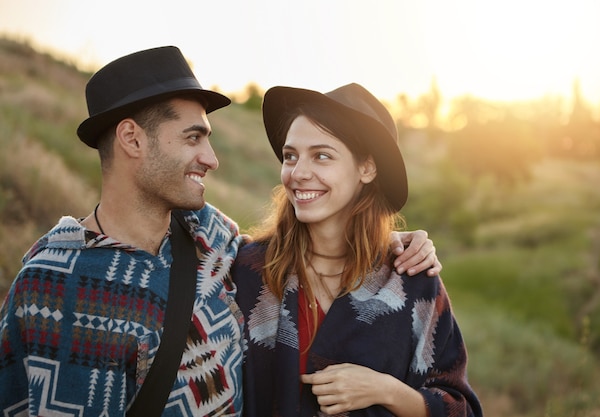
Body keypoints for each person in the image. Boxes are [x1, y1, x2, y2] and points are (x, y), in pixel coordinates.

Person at [0, 47, 441, 416]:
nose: (211, 158)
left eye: (321, 156)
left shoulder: (217, 245)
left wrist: (394, 244)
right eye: (194, 138)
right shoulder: (48, 284)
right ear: (132, 140)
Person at [233, 83, 482, 416]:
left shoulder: (410, 280)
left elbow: (461, 409)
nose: (298, 173)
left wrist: (387, 390)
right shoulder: (249, 270)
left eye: (321, 156)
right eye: (290, 156)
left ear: (367, 168)